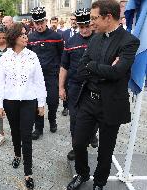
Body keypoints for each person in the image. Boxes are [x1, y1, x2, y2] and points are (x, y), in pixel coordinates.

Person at [66, 1, 140, 190]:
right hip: (89, 99)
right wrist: (104, 69)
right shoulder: (95, 38)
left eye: (94, 18)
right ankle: (82, 173)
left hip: (111, 103)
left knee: (105, 149)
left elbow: (118, 72)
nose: (91, 23)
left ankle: (99, 182)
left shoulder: (129, 41)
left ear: (108, 17)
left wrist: (94, 67)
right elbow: (80, 69)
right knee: (78, 142)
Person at [0, 23, 47, 190]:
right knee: (15, 132)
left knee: (26, 135)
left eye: (26, 34)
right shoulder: (5, 58)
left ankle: (28, 172)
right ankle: (17, 154)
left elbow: (39, 81)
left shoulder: (32, 56)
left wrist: (41, 103)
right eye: (22, 34)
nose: (26, 37)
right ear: (14, 37)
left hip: (28, 101)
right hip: (10, 101)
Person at [59, 8, 98, 162]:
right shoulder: (71, 41)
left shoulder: (99, 39)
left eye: (87, 26)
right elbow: (64, 67)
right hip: (74, 86)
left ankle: (91, 134)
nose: (85, 30)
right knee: (74, 118)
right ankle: (77, 147)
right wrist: (61, 87)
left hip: (94, 85)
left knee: (94, 116)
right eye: (81, 27)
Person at [28, 7, 64, 140]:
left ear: (46, 21)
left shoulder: (56, 37)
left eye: (42, 22)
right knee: (38, 103)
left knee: (53, 101)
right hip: (36, 78)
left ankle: (53, 120)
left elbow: (62, 56)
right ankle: (38, 128)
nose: (40, 25)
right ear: (34, 23)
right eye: (37, 23)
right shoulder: (30, 38)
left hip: (52, 75)